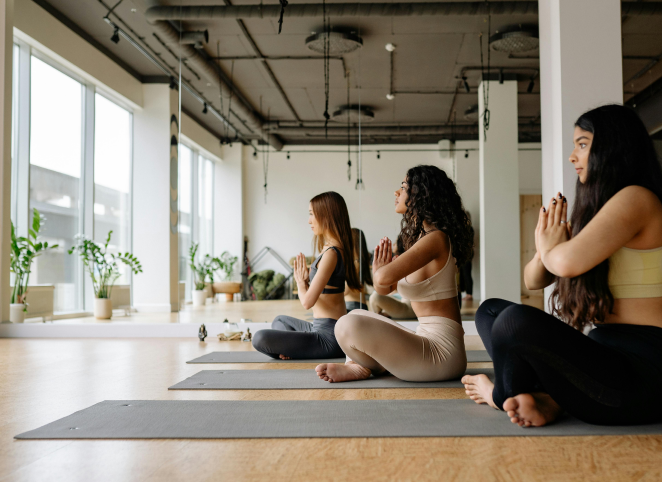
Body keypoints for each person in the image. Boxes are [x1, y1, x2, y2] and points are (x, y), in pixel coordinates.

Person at [462, 104, 662, 427]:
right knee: (491, 312)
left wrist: (551, 247)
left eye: (582, 145)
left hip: (642, 376)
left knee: (512, 322)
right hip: (602, 363)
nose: (573, 156)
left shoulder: (638, 199)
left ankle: (501, 394)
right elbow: (533, 280)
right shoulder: (604, 212)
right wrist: (544, 251)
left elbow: (566, 263)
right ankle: (551, 400)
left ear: (612, 147)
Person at [316, 165, 474, 382]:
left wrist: (380, 272)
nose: (396, 192)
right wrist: (378, 271)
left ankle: (365, 367)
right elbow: (383, 288)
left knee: (346, 325)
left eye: (403, 187)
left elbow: (382, 279)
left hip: (443, 355)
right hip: (425, 340)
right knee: (354, 316)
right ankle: (363, 366)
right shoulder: (422, 241)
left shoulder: (436, 239)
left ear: (422, 195)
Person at [252, 191, 361, 359]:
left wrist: (301, 283)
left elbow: (307, 302)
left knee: (259, 338)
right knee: (280, 320)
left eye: (312, 214)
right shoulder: (329, 249)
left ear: (327, 215)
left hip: (329, 338)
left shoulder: (332, 253)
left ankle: (289, 348)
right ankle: (289, 348)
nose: (309, 220)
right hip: (318, 328)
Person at [369, 235, 417, 319]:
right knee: (375, 295)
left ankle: (383, 315)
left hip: (409, 307)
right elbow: (390, 289)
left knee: (375, 297)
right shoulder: (397, 261)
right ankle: (383, 314)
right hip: (400, 300)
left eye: (395, 243)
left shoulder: (408, 262)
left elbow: (394, 288)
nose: (394, 244)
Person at [344, 228, 373, 312]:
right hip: (358, 306)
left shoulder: (355, 263)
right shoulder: (360, 261)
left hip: (353, 307)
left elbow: (345, 291)